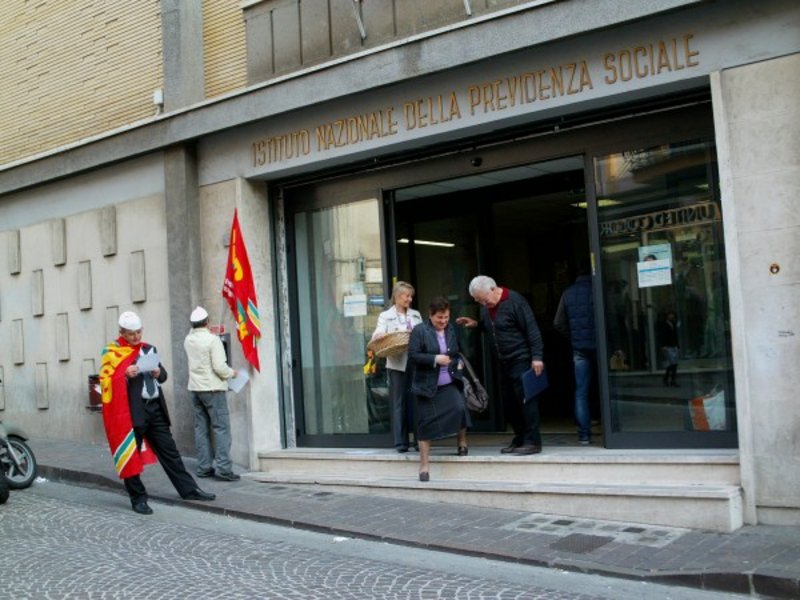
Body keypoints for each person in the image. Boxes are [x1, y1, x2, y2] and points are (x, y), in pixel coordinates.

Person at [99, 311, 215, 515]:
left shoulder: (149, 349)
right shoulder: (112, 352)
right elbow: (105, 381)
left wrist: (159, 372)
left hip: (155, 408)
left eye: (138, 332)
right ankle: (138, 499)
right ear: (122, 333)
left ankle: (189, 490)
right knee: (130, 455)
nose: (136, 337)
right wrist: (124, 374)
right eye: (131, 334)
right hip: (132, 412)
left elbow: (163, 376)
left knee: (170, 452)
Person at [456, 276, 544, 455]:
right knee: (509, 403)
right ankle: (519, 438)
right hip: (503, 361)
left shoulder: (515, 301)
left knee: (526, 401)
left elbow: (532, 330)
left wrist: (537, 357)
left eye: (484, 299)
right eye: (479, 301)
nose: (483, 304)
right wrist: (477, 325)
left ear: (493, 289)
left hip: (521, 358)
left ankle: (532, 441)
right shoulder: (486, 308)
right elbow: (495, 327)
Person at [408, 297, 471, 481]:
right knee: (425, 423)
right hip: (427, 385)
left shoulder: (451, 329)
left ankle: (461, 441)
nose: (443, 321)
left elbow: (457, 352)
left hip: (449, 382)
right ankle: (424, 466)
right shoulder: (420, 330)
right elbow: (413, 356)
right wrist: (434, 359)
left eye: (446, 317)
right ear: (430, 315)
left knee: (459, 408)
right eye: (439, 318)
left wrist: (458, 363)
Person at [184, 306, 240, 481]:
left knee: (201, 429)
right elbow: (219, 367)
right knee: (221, 428)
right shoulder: (212, 340)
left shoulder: (188, 339)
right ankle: (224, 468)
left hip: (195, 388)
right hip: (213, 389)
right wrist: (233, 373)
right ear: (207, 322)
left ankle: (204, 467)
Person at [370, 281, 423, 452]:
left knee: (417, 401)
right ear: (398, 296)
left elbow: (423, 334)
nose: (410, 299)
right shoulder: (385, 316)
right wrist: (379, 335)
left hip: (415, 362)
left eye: (411, 296)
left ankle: (419, 440)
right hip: (396, 363)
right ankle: (401, 442)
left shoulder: (416, 315)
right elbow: (378, 332)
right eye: (407, 296)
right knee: (399, 402)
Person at [554, 261, 596, 444]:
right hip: (599, 344)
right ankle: (612, 428)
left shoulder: (568, 293)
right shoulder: (597, 289)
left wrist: (573, 336)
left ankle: (584, 434)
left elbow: (558, 322)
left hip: (579, 347)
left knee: (581, 390)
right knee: (607, 385)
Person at [658, 310, 680, 387]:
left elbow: (676, 336)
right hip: (668, 346)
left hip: (674, 346)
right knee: (671, 364)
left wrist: (678, 346)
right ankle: (669, 379)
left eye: (672, 315)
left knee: (674, 364)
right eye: (670, 315)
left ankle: (669, 379)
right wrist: (663, 346)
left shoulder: (673, 324)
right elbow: (662, 336)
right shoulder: (664, 325)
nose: (671, 316)